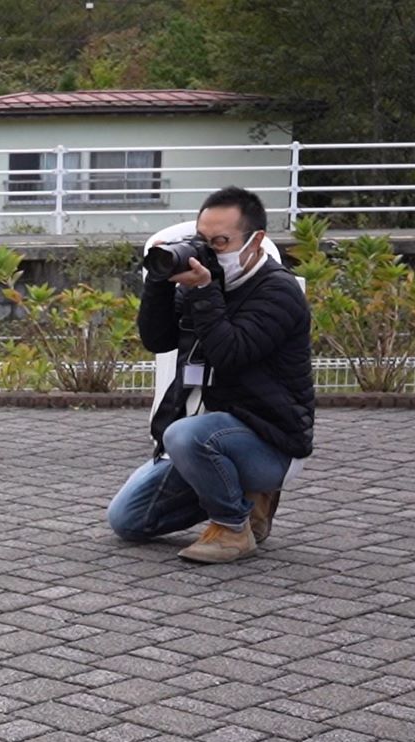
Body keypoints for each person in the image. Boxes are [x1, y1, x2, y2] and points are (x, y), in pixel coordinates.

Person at [108, 186, 314, 563]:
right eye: (203, 241)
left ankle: (234, 527)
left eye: (220, 242)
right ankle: (239, 497)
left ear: (256, 241)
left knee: (184, 434)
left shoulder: (278, 292)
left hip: (268, 440)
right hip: (204, 438)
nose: (210, 252)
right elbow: (158, 340)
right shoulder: (202, 282)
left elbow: (230, 354)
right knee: (127, 520)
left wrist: (205, 291)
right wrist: (158, 280)